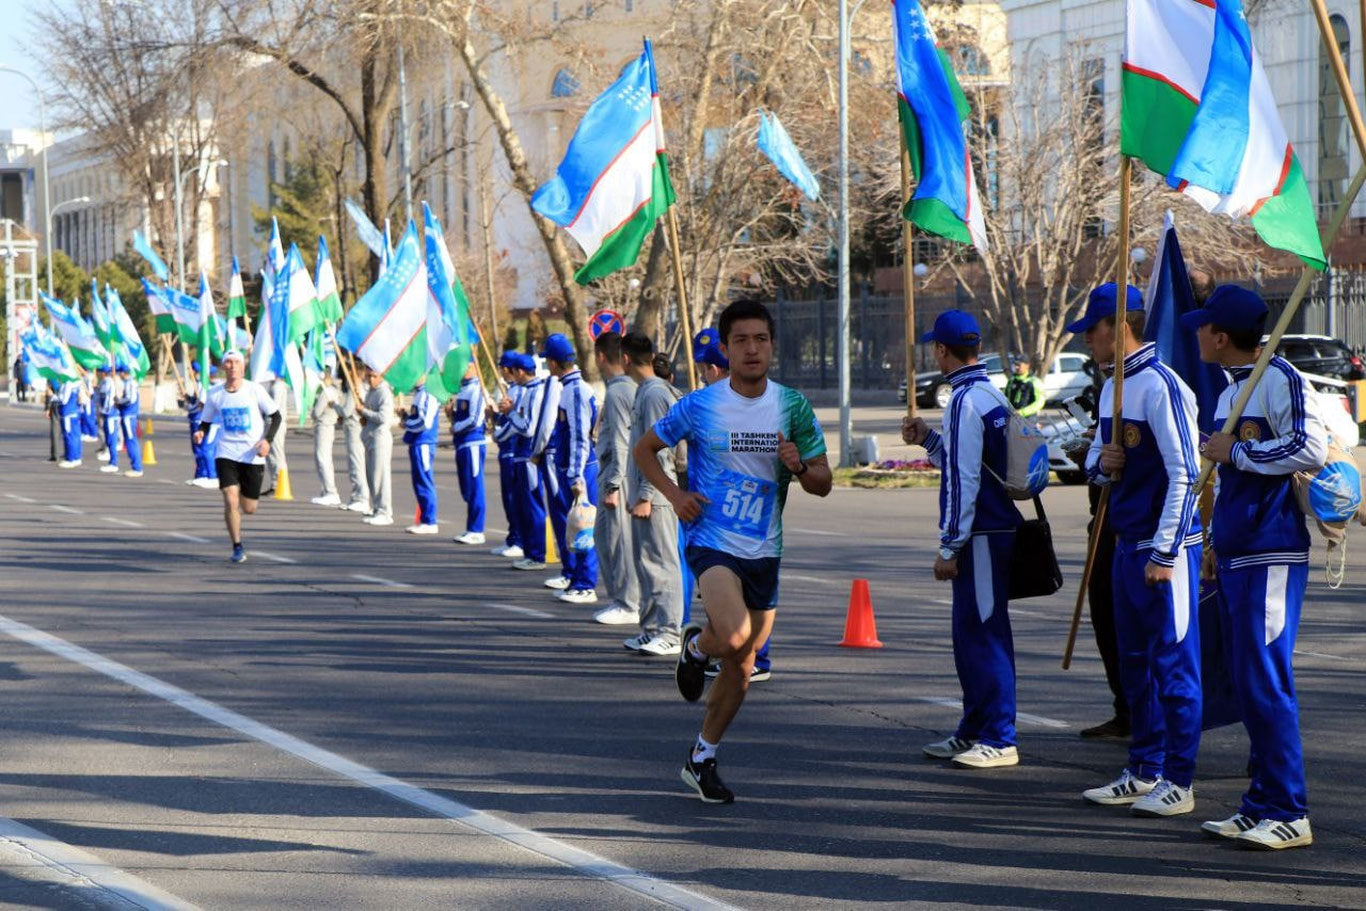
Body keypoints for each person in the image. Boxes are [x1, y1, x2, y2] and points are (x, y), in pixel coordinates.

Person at [636, 298, 831, 804]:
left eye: (760, 340)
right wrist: (676, 496)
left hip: (764, 549)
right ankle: (699, 646)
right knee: (738, 634)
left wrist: (800, 465)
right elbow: (644, 450)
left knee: (744, 663)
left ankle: (701, 757)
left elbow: (824, 484)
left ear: (772, 346)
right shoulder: (701, 404)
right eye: (741, 340)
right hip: (712, 541)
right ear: (725, 349)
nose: (751, 349)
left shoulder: (793, 407)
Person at [1188, 286, 1326, 850]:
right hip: (1239, 548)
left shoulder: (1282, 378)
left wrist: (1237, 453)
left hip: (1272, 550)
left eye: (1204, 327)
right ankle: (1261, 801)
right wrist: (1216, 540)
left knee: (1268, 681)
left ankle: (1290, 810)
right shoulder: (1230, 390)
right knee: (1247, 681)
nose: (1197, 334)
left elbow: (1311, 447)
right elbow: (1228, 471)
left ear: (1221, 336)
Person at [1076, 283, 1204, 818]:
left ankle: (1179, 777)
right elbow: (1094, 463)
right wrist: (1100, 462)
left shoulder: (1162, 387)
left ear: (1115, 326)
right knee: (1134, 664)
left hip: (1161, 549)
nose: (1087, 342)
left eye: (1091, 330)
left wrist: (1166, 552)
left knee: (1173, 663)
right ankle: (1144, 767)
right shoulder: (1112, 389)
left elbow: (1187, 473)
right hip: (1125, 542)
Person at [903, 310, 1024, 771]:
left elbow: (963, 478)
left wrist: (949, 545)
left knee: (986, 634)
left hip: (982, 536)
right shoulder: (989, 393)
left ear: (941, 350)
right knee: (971, 635)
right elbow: (967, 461)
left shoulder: (964, 400)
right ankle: (975, 728)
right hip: (993, 529)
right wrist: (929, 440)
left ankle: (999, 735)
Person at [692, 328, 773, 684]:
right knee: (734, 589)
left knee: (743, 591)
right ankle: (741, 653)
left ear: (714, 368)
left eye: (706, 367)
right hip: (733, 515)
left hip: (737, 513)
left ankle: (749, 655)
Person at [622, 331, 686, 656]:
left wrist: (646, 493)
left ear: (625, 359)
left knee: (662, 563)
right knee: (646, 563)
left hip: (657, 495)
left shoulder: (654, 394)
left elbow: (660, 450)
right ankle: (649, 630)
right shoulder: (646, 392)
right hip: (644, 493)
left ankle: (670, 633)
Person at [195, 349, 281, 564]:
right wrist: (200, 432)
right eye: (229, 363)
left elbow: (275, 416)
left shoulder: (254, 390)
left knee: (249, 508)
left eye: (236, 362)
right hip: (226, 452)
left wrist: (267, 441)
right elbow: (205, 421)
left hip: (252, 454)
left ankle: (245, 495)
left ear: (243, 367)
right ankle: (237, 545)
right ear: (224, 367)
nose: (232, 366)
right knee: (230, 500)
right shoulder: (215, 393)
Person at [541, 333, 600, 604]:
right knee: (574, 527)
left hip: (581, 470)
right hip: (573, 467)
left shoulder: (575, 390)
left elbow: (579, 436)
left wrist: (576, 475)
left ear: (554, 363)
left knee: (582, 525)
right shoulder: (571, 387)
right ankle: (576, 579)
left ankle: (585, 584)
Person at [591, 331, 643, 626]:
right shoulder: (623, 388)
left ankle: (628, 602)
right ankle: (623, 599)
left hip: (618, 476)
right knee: (605, 537)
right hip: (617, 473)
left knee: (617, 540)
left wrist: (613, 484)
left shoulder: (618, 391)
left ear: (601, 356)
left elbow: (622, 440)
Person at [500, 352, 557, 571]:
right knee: (523, 505)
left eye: (515, 372)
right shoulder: (526, 392)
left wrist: (510, 414)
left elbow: (528, 427)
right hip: (520, 454)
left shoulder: (535, 392)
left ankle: (537, 553)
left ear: (521, 372)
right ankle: (530, 550)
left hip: (530, 455)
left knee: (533, 505)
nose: (513, 376)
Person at [447, 362, 488, 545]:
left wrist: (455, 426)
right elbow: (462, 417)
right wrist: (452, 415)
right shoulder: (463, 390)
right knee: (467, 488)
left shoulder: (477, 389)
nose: (461, 368)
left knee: (475, 486)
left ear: (473, 366)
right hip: (461, 444)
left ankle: (477, 529)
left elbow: (475, 419)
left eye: (464, 364)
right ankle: (471, 527)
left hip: (472, 443)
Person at [490, 353, 525, 558]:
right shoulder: (510, 389)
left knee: (515, 498)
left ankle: (519, 540)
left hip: (513, 450)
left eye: (502, 367)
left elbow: (516, 423)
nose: (501, 370)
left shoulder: (518, 391)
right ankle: (512, 537)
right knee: (507, 498)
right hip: (505, 451)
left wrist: (498, 434)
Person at [359, 367, 397, 526]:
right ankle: (376, 508)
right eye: (369, 376)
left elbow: (383, 417)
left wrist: (364, 412)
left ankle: (384, 511)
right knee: (371, 477)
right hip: (369, 437)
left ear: (381, 376)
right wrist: (363, 417)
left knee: (380, 476)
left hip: (380, 439)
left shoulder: (384, 393)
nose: (371, 379)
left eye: (374, 376)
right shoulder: (371, 392)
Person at [403, 379, 441, 534]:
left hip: (424, 442)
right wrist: (406, 417)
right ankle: (425, 518)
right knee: (418, 481)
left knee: (425, 480)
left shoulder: (428, 393)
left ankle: (430, 520)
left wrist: (407, 424)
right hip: (416, 442)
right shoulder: (419, 393)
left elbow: (425, 422)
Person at [180, 362, 219, 488]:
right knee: (200, 449)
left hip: (206, 421)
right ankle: (201, 474)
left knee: (205, 449)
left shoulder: (207, 387)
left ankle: (211, 476)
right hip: (200, 420)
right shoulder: (201, 386)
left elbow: (198, 406)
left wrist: (190, 404)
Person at [339, 371, 371, 513]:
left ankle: (361, 498)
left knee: (356, 464)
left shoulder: (356, 392)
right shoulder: (362, 390)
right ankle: (355, 496)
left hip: (354, 429)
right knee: (355, 463)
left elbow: (346, 412)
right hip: (354, 428)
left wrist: (334, 406)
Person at [310, 371, 343, 506]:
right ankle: (326, 490)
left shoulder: (326, 392)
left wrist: (313, 412)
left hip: (324, 425)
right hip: (329, 425)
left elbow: (316, 412)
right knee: (324, 458)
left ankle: (330, 491)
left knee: (323, 459)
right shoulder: (335, 391)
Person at [114, 361, 144, 478]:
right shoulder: (128, 383)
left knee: (131, 441)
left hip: (129, 415)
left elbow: (130, 399)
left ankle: (137, 467)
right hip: (126, 415)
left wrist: (119, 401)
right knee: (129, 440)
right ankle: (134, 466)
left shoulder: (131, 384)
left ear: (123, 373)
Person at [263, 377, 290, 496]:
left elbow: (274, 407)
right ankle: (275, 483)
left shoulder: (278, 386)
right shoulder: (274, 385)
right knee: (271, 455)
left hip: (276, 422)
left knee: (277, 453)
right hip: (270, 422)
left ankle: (280, 483)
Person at [55, 373, 84, 468]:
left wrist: (55, 398)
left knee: (69, 435)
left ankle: (71, 458)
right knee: (75, 435)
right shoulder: (77, 383)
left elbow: (64, 400)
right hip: (75, 411)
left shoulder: (68, 384)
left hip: (68, 412)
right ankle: (77, 457)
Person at [96, 364, 121, 471]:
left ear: (103, 373)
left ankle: (113, 462)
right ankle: (111, 459)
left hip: (110, 413)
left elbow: (109, 398)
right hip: (106, 413)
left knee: (112, 437)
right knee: (108, 436)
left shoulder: (109, 383)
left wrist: (104, 410)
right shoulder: (104, 382)